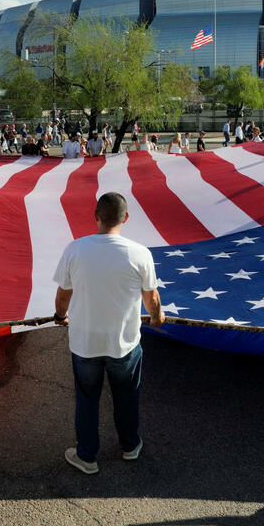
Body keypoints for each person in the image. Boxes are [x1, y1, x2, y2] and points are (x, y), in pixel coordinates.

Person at [53, 192, 164, 474]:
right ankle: (130, 446)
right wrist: (156, 317)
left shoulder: (75, 249)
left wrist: (60, 316)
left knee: (87, 399)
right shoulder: (140, 253)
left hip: (85, 342)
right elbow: (151, 297)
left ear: (96, 216)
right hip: (124, 344)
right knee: (127, 396)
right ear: (125, 219)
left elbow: (63, 295)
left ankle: (87, 456)